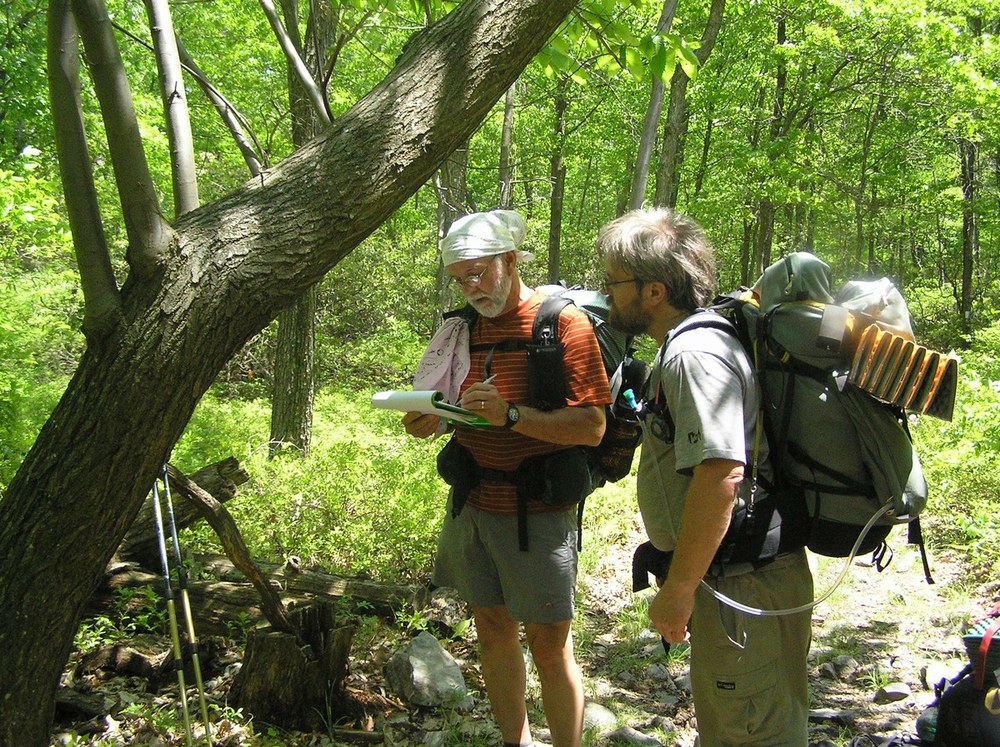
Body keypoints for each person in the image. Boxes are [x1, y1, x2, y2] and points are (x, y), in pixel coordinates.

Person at [596, 207, 814, 746]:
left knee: (749, 733)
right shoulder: (700, 340)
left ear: (653, 291)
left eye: (614, 281)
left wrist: (678, 589)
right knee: (756, 723)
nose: (605, 292)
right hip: (742, 577)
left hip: (739, 583)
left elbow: (721, 474)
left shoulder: (694, 353)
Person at [402, 209, 611, 747]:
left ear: (510, 260)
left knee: (548, 641)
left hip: (539, 510)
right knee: (491, 631)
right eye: (459, 277)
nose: (471, 287)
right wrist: (424, 419)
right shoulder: (457, 330)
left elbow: (592, 426)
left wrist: (513, 416)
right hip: (473, 502)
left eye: (480, 272)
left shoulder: (564, 324)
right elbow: (429, 411)